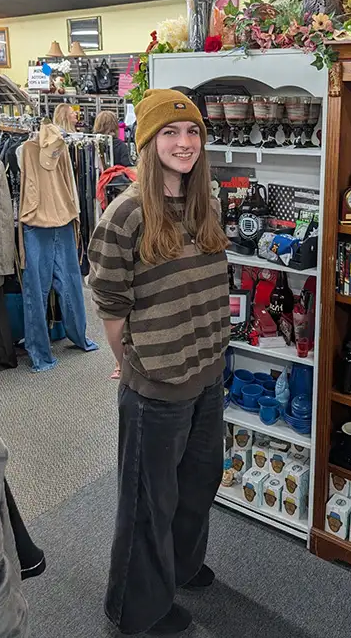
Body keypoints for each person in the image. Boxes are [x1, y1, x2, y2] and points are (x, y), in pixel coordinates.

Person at [87, 89, 230, 636]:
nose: (184, 142)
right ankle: (135, 607)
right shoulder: (125, 215)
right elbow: (112, 309)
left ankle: (183, 567)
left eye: (192, 131)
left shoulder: (206, 204)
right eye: (169, 133)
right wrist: (131, 365)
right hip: (157, 385)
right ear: (147, 143)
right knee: (150, 501)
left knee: (199, 484)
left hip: (208, 375)